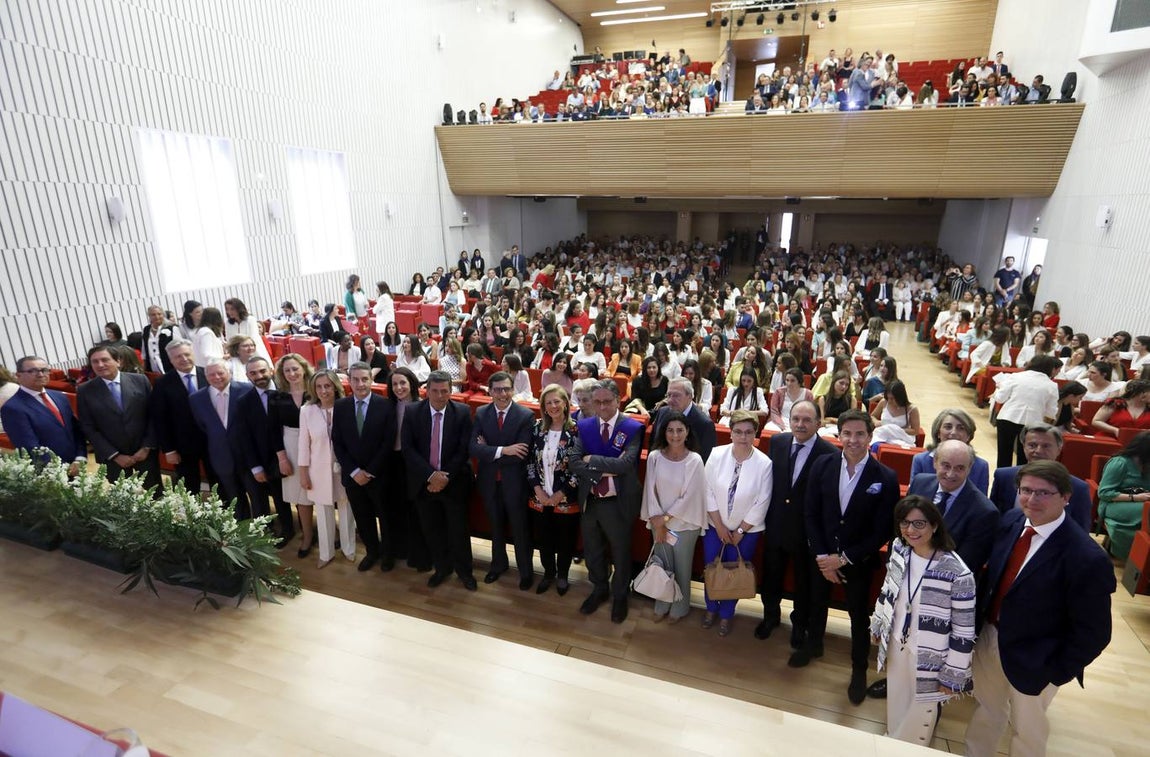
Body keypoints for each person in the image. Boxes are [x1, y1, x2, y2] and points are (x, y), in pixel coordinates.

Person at [964, 461, 1116, 757]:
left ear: (1066, 497)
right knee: (986, 711)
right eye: (1026, 490)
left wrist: (1058, 672)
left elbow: (1095, 632)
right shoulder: (1011, 521)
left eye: (1044, 493)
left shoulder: (1086, 557)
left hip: (1038, 659)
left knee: (1028, 731)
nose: (1032, 499)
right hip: (990, 639)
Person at [800, 409, 899, 706]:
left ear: (870, 436)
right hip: (822, 556)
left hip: (857, 561)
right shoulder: (822, 464)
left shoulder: (885, 477)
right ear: (839, 434)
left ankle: (858, 669)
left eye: (859, 434)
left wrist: (842, 559)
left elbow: (882, 529)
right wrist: (823, 556)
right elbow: (811, 512)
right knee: (816, 604)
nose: (853, 440)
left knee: (858, 616)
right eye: (847, 433)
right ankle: (813, 645)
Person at [869, 496, 975, 746]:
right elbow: (888, 588)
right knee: (896, 700)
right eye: (905, 523)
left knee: (920, 716)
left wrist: (952, 674)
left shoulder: (958, 572)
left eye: (919, 523)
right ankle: (893, 744)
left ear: (935, 526)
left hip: (930, 655)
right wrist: (879, 623)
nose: (910, 530)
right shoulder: (900, 549)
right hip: (897, 641)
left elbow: (964, 630)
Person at [757, 400, 836, 645]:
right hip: (776, 525)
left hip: (806, 533)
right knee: (771, 577)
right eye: (796, 419)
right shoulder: (777, 442)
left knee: (803, 584)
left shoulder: (830, 453)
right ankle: (770, 617)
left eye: (807, 420)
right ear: (789, 420)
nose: (800, 424)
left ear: (818, 423)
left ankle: (799, 625)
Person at [567, 379, 644, 623]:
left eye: (607, 401)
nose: (602, 407)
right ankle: (599, 588)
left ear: (618, 400)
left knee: (620, 551)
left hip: (617, 501)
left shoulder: (631, 428)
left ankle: (620, 594)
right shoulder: (585, 425)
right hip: (590, 500)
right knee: (593, 549)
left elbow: (626, 465)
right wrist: (604, 469)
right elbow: (574, 461)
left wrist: (592, 460)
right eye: (597, 402)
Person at [402, 371, 476, 590]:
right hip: (424, 483)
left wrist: (444, 477)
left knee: (458, 531)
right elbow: (408, 448)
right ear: (427, 391)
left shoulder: (462, 412)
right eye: (435, 391)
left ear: (451, 390)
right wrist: (431, 475)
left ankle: (465, 572)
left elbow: (463, 450)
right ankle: (442, 568)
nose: (440, 396)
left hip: (454, 483)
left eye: (445, 391)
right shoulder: (412, 411)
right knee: (432, 530)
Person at [701, 410, 772, 636]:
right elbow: (707, 491)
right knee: (713, 568)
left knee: (735, 572)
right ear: (730, 433)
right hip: (715, 526)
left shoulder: (764, 463)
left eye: (749, 432)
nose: (743, 437)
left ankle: (726, 614)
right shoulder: (716, 454)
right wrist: (720, 526)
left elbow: (762, 501)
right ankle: (711, 608)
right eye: (738, 432)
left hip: (747, 532)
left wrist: (741, 530)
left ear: (755, 434)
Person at [470, 371, 535, 589]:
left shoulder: (525, 415)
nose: (502, 393)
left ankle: (526, 572)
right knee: (495, 527)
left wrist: (489, 450)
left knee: (519, 529)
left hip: (515, 483)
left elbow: (522, 453)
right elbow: (473, 448)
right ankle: (498, 565)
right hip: (489, 482)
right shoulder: (481, 413)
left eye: (506, 389)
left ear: (513, 390)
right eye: (497, 389)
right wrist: (504, 450)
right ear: (490, 391)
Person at [641, 411, 707, 624]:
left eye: (680, 430)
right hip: (657, 521)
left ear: (687, 432)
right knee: (662, 565)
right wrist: (657, 521)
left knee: (681, 568)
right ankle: (662, 603)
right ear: (664, 432)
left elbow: (690, 496)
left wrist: (665, 519)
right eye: (670, 430)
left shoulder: (694, 460)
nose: (675, 435)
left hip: (685, 524)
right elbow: (650, 490)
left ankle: (680, 606)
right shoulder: (655, 457)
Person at [332, 362, 397, 572]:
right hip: (353, 476)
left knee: (385, 517)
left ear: (371, 380)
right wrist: (354, 471)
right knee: (363, 517)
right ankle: (372, 552)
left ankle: (388, 554)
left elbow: (388, 442)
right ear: (349, 381)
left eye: (364, 379)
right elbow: (337, 442)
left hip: (379, 475)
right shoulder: (340, 406)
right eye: (356, 379)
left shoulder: (386, 405)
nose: (360, 384)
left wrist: (369, 472)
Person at [76, 344, 159, 488]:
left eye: (105, 360)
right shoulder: (85, 390)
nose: (100, 365)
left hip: (145, 453)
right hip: (113, 458)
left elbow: (154, 416)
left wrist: (146, 447)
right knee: (122, 497)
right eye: (95, 361)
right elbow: (88, 426)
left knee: (155, 493)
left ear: (118, 361)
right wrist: (115, 455)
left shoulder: (140, 380)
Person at [297, 370, 356, 568]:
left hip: (345, 467)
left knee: (346, 507)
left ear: (335, 386)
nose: (324, 391)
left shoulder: (346, 407)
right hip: (318, 470)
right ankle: (326, 553)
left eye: (328, 386)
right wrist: (303, 473)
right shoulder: (307, 411)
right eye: (319, 387)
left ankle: (349, 549)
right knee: (323, 511)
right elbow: (303, 445)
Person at [527, 384, 581, 596]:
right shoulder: (537, 428)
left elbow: (580, 468)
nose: (553, 406)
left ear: (566, 403)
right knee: (544, 540)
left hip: (566, 498)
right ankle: (548, 573)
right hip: (539, 498)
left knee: (565, 541)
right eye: (548, 403)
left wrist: (561, 493)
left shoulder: (577, 430)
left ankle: (563, 576)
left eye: (557, 401)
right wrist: (537, 490)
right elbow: (529, 462)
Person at [188, 359, 254, 516]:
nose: (217, 377)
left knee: (257, 496)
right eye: (212, 374)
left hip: (248, 456)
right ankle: (241, 526)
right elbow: (203, 426)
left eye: (220, 373)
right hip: (221, 456)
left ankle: (264, 527)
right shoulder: (196, 398)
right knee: (234, 499)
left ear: (229, 373)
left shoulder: (247, 390)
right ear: (206, 377)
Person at [238, 357, 294, 543]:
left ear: (271, 370)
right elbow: (245, 437)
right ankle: (287, 530)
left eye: (262, 371)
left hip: (294, 454)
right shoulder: (244, 402)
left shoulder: (288, 392)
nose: (259, 376)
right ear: (247, 376)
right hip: (266, 460)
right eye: (253, 373)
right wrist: (255, 466)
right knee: (278, 498)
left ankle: (306, 529)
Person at [1, 355, 87, 474]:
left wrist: (80, 458)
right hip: (50, 474)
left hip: (77, 466)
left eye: (44, 370)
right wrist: (60, 470)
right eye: (32, 371)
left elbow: (76, 430)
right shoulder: (12, 408)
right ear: (18, 375)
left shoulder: (60, 396)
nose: (40, 374)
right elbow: (29, 447)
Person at [149, 339, 209, 494]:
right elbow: (160, 419)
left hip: (212, 443)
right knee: (189, 487)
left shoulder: (209, 374)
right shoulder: (162, 383)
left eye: (187, 354)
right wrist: (169, 450)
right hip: (182, 447)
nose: (184, 359)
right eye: (178, 357)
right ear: (170, 360)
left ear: (193, 354)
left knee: (220, 482)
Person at [270, 354, 313, 556]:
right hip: (291, 446)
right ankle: (307, 536)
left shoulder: (315, 391)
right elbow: (273, 430)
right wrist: (282, 458)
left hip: (317, 444)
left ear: (303, 368)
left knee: (323, 490)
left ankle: (329, 533)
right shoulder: (277, 397)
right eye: (287, 370)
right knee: (300, 494)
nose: (292, 373)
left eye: (295, 368)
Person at [991, 355, 1061, 468]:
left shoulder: (1016, 376)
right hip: (1033, 423)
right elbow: (1051, 412)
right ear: (1050, 368)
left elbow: (1000, 399)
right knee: (1026, 456)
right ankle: (1023, 478)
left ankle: (1001, 477)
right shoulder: (1052, 385)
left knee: (1004, 454)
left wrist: (998, 388)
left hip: (1008, 417)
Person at [1096, 431, 1150, 559]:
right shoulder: (1120, 462)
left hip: (1143, 502)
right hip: (1114, 503)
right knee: (1147, 511)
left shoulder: (1147, 465)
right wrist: (1136, 498)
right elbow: (1104, 493)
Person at [911, 409, 991, 494]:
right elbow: (914, 496)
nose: (953, 432)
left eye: (961, 428)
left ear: (968, 436)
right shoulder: (921, 460)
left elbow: (980, 500)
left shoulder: (981, 466)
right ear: (938, 433)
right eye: (948, 427)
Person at [649, 377, 717, 462]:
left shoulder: (704, 424)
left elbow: (706, 459)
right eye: (669, 395)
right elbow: (653, 444)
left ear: (690, 396)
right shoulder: (662, 412)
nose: (670, 400)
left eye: (676, 395)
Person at [223, 297, 271, 363]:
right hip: (236, 354)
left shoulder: (251, 320)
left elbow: (252, 339)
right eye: (227, 309)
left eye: (232, 309)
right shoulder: (228, 323)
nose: (229, 312)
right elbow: (230, 341)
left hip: (254, 351)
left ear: (239, 308)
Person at [139, 304, 175, 374]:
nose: (157, 317)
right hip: (153, 368)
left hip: (169, 366)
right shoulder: (146, 330)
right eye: (153, 315)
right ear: (149, 316)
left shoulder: (172, 328)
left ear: (163, 315)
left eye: (159, 314)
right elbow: (144, 351)